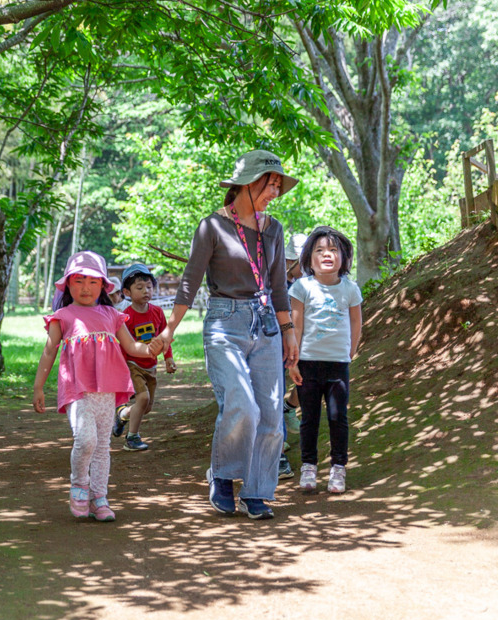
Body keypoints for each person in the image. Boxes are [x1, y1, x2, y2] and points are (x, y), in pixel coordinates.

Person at [155, 150, 299, 519]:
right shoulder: (212, 227)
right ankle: (222, 475)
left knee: (271, 415)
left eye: (279, 187)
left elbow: (278, 286)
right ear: (248, 183)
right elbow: (189, 281)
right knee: (242, 404)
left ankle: (256, 491)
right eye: (270, 185)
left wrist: (289, 332)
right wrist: (170, 328)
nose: (275, 193)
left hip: (266, 324)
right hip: (224, 322)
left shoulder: (274, 229)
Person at [33, 251, 160, 522]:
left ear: (103, 285)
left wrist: (151, 348)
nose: (86, 287)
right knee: (86, 440)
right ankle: (79, 485)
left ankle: (99, 498)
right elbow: (49, 352)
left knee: (102, 447)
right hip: (77, 390)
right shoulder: (63, 316)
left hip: (107, 391)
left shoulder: (112, 315)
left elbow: (131, 346)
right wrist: (38, 388)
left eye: (93, 282)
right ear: (68, 284)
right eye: (79, 281)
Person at [288, 226, 363, 494]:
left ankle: (338, 468)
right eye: (319, 250)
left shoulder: (350, 289)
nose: (326, 254)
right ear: (309, 259)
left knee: (337, 417)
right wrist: (293, 362)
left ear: (343, 257)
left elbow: (356, 323)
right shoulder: (302, 287)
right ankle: (308, 467)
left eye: (333, 250)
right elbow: (296, 327)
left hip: (337, 365)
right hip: (307, 363)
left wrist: (350, 352)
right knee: (309, 418)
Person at [111, 262, 176, 451]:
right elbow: (123, 345)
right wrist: (121, 370)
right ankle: (132, 438)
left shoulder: (157, 312)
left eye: (149, 287)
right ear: (127, 292)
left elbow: (164, 337)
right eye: (139, 288)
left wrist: (168, 357)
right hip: (132, 364)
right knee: (143, 398)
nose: (146, 291)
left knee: (146, 407)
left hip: (151, 366)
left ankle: (123, 415)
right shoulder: (125, 316)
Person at [278, 232, 308, 479]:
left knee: (305, 379)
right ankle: (277, 446)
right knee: (274, 391)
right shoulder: (277, 283)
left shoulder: (305, 282)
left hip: (300, 342)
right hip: (277, 344)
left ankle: (288, 409)